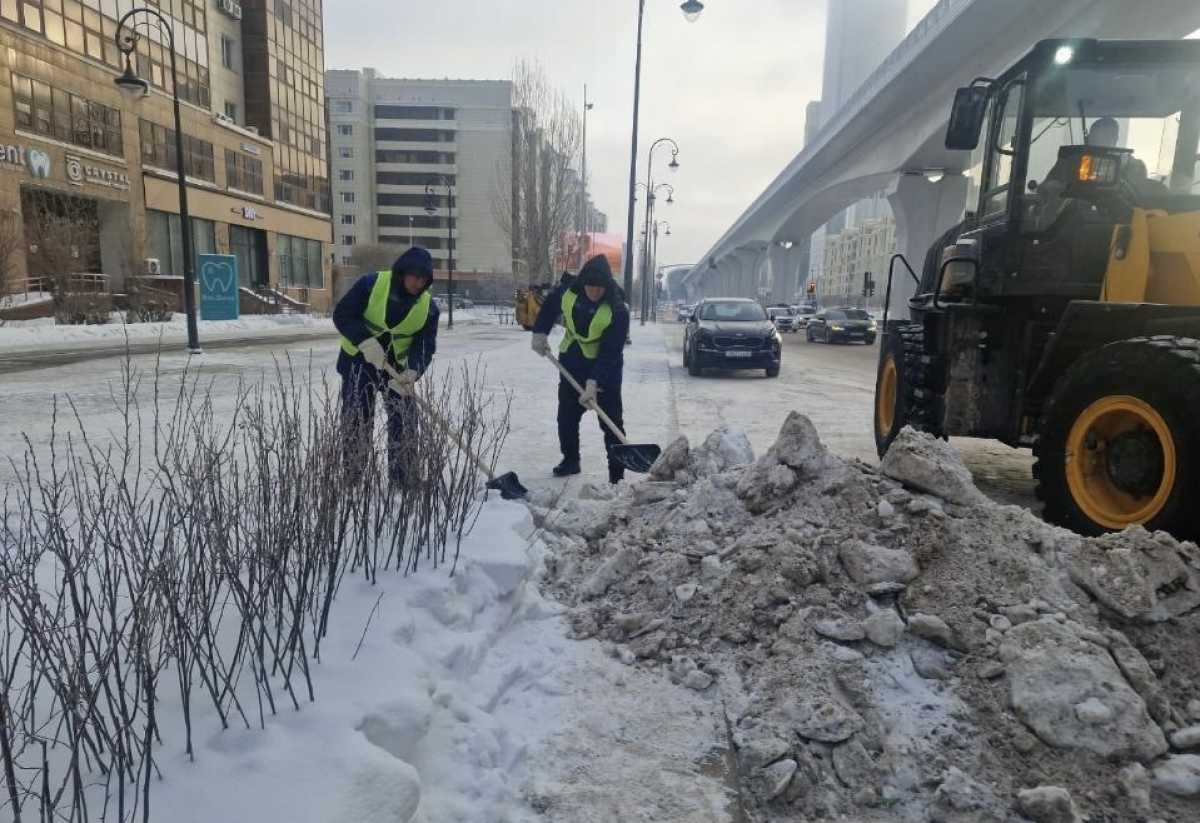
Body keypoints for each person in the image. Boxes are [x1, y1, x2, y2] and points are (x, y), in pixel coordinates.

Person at [333, 246, 440, 485]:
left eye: (423, 279)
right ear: (403, 273)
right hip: (359, 361)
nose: (417, 283)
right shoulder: (371, 284)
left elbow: (425, 344)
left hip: (398, 370)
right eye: (414, 276)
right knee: (357, 419)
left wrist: (413, 370)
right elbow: (343, 315)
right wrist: (364, 340)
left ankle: (403, 477)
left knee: (405, 419)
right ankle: (353, 477)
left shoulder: (428, 308)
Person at [531, 254, 631, 483]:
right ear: (583, 282)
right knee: (566, 417)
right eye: (590, 287)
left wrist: (594, 383)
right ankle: (570, 460)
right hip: (572, 362)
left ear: (607, 286)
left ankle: (617, 476)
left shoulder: (618, 310)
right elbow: (548, 309)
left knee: (611, 422)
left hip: (606, 371)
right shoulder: (568, 291)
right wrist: (539, 333)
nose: (594, 292)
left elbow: (611, 352)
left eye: (599, 288)